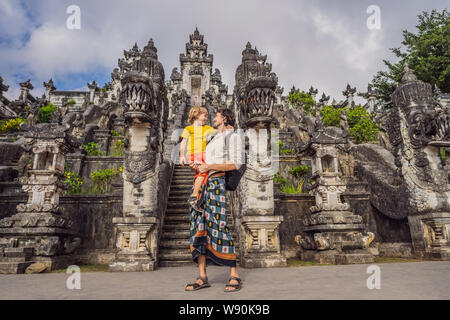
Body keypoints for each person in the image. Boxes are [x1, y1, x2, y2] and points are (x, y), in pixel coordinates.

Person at [184, 108, 245, 292]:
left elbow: (236, 163)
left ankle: (234, 274)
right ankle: (202, 276)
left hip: (216, 182)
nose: (213, 118)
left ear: (224, 118)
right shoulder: (211, 138)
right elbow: (204, 161)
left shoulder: (232, 136)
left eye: (217, 115)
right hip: (201, 182)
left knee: (219, 224)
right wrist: (198, 166)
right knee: (198, 228)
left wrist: (209, 166)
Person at [179, 106, 216, 211]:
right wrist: (181, 156)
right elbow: (183, 143)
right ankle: (194, 196)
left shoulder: (207, 128)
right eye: (204, 116)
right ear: (197, 115)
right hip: (194, 154)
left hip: (204, 154)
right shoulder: (188, 129)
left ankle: (197, 199)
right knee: (203, 172)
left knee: (202, 174)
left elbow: (219, 133)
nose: (206, 118)